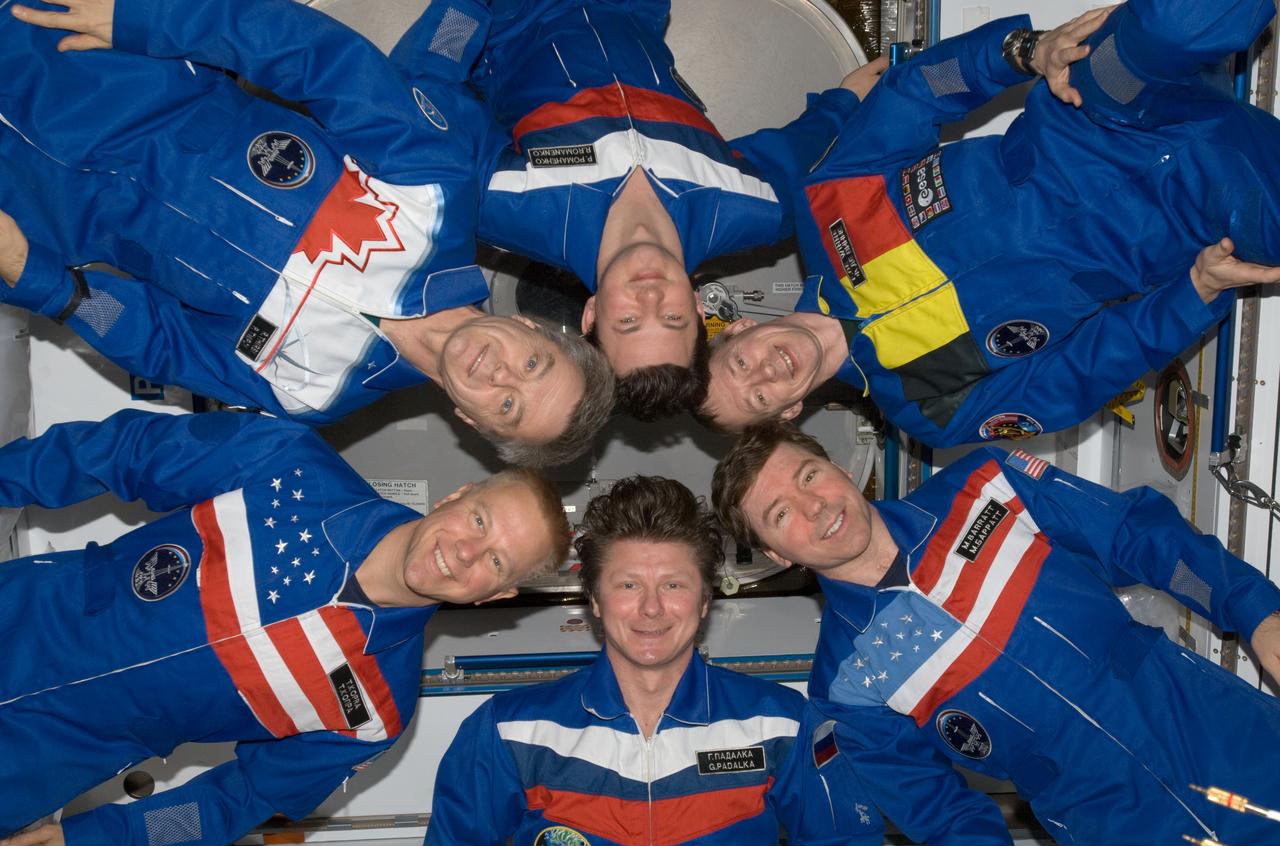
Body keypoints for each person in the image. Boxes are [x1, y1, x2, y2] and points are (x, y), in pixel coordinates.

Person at [2, 0, 615, 467]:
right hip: (105, 78)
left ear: (473, 423)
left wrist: (45, 282)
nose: (500, 375)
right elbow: (314, 56)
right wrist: (148, 17)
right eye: (533, 363)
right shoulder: (436, 195)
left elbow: (165, 346)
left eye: (508, 407)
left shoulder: (316, 396)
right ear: (532, 326)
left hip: (45, 215)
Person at [700, 1, 1280, 445]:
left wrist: (1026, 52)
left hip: (1097, 111)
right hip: (1191, 222)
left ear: (739, 328)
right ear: (786, 412)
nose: (768, 371)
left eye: (742, 363)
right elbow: (1084, 373)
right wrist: (1196, 293)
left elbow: (915, 94)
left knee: (1176, 21)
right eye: (758, 396)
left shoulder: (826, 207)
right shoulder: (929, 410)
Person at [0, 409, 573, 846]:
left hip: (40, 761)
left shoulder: (375, 715)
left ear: (498, 595)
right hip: (23, 611)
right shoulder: (292, 465)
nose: (466, 552)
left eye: (497, 562)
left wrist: (93, 845)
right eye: (479, 520)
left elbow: (242, 800)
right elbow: (122, 451)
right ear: (455, 496)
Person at [711, 420, 1280, 846]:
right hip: (1112, 827)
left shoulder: (987, 484)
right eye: (781, 515)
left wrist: (1256, 612)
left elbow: (1137, 535)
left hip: (1219, 727)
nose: (814, 507)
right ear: (774, 554)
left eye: (809, 476)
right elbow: (940, 815)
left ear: (837, 467)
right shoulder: (843, 689)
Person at [403, 0, 869, 419]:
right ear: (694, 306)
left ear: (591, 316)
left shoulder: (505, 206)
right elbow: (811, 150)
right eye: (672, 319)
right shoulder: (753, 206)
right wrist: (851, 102)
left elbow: (422, 100)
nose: (650, 298)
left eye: (627, 322)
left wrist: (468, 5)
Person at [424, 475, 884, 846]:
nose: (650, 608)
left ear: (705, 600)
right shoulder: (506, 731)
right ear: (595, 601)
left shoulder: (782, 723)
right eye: (627, 585)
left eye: (674, 585)